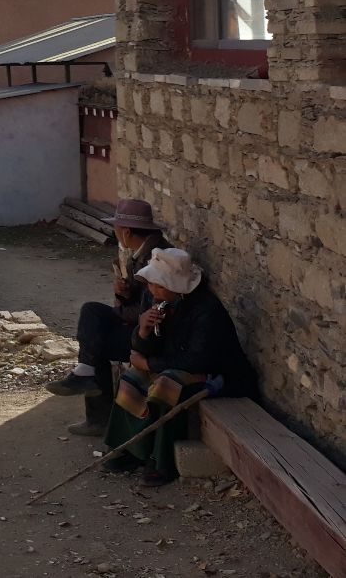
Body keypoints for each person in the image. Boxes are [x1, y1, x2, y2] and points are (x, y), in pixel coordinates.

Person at [102, 247, 256, 485]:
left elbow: (199, 360)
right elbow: (149, 348)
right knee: (132, 378)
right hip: (176, 366)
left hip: (219, 375)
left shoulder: (206, 310)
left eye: (159, 286)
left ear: (177, 287)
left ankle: (162, 461)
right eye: (152, 284)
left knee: (166, 386)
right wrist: (142, 331)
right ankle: (129, 447)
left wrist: (150, 363)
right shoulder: (159, 302)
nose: (153, 290)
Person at [46, 199, 170, 436]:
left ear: (125, 231)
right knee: (91, 311)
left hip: (151, 336)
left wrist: (121, 307)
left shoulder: (156, 258)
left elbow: (151, 308)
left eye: (116, 229)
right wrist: (123, 294)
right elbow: (138, 300)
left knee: (97, 343)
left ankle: (97, 413)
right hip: (137, 324)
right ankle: (85, 371)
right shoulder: (143, 252)